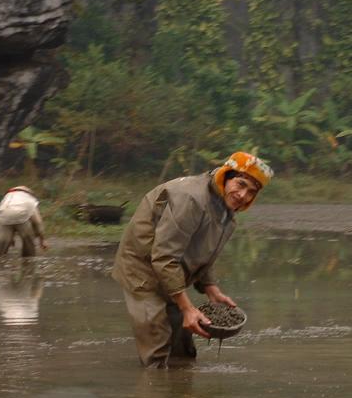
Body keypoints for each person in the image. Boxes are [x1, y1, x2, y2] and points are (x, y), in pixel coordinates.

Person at [111, 151, 273, 368]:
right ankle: (152, 396)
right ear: (226, 175)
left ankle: (182, 395)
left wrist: (210, 287)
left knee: (183, 350)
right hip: (142, 271)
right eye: (240, 184)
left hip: (172, 272)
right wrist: (187, 308)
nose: (243, 195)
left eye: (251, 192)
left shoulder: (226, 213)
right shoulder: (191, 199)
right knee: (157, 348)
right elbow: (164, 257)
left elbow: (203, 251)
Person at [0, 185, 48, 258]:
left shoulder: (7, 198)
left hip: (3, 219)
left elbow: (4, 216)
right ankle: (28, 263)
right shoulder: (29, 199)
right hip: (22, 219)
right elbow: (37, 221)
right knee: (29, 248)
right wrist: (42, 240)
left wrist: (11, 238)